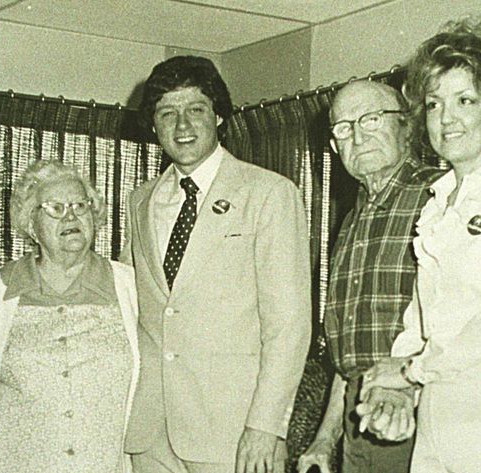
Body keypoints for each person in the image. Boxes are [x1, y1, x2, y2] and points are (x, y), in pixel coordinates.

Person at [358, 17, 481, 473]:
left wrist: (411, 370)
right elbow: (419, 321)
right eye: (434, 104)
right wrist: (396, 388)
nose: (446, 118)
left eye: (464, 100)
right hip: (438, 417)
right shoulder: (436, 205)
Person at [120, 55, 311, 473]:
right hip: (151, 431)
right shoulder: (140, 201)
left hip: (235, 433)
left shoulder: (269, 194)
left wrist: (267, 426)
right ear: (153, 125)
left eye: (196, 110)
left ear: (219, 116)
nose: (182, 125)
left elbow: (289, 325)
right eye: (167, 113)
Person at [0, 160, 140, 472]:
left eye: (80, 205)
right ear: (30, 223)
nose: (71, 215)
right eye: (55, 208)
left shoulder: (129, 286)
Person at [297, 80, 442, 473]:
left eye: (371, 119)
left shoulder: (440, 197)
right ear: (334, 147)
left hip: (420, 419)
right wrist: (326, 438)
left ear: (406, 126)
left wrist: (407, 384)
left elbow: (462, 327)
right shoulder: (352, 220)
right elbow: (352, 361)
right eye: (344, 128)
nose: (358, 136)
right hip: (360, 423)